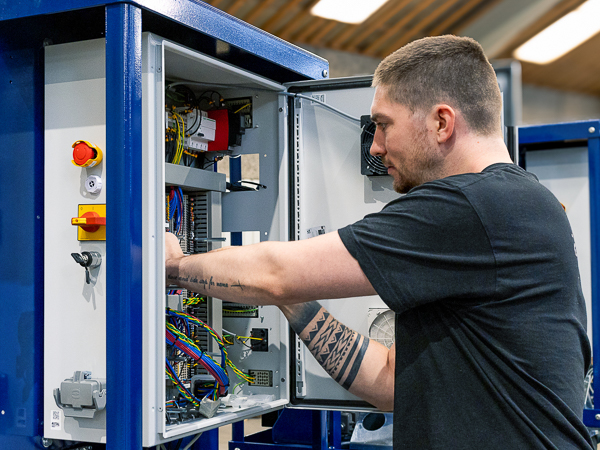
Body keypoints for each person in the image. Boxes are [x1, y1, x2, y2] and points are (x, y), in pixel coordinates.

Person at [165, 35, 592, 449]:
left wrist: (172, 266)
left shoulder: (472, 206)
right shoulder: (514, 203)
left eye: (384, 125)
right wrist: (292, 298)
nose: (375, 146)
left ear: (441, 122)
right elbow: (389, 382)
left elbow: (277, 274)